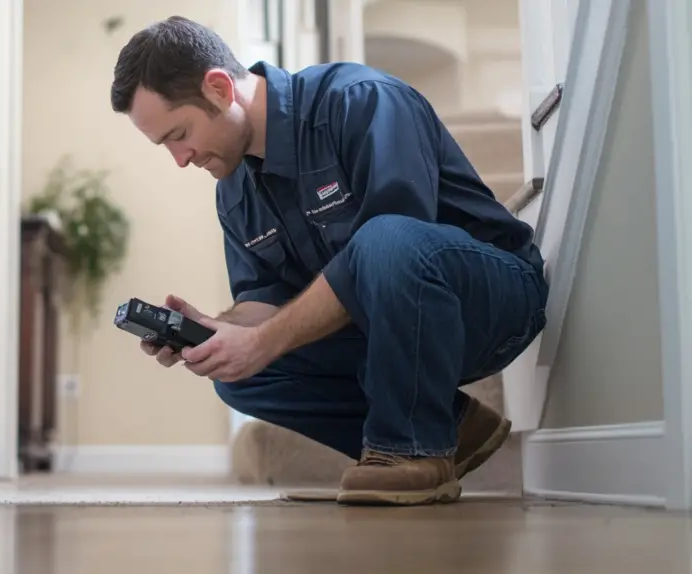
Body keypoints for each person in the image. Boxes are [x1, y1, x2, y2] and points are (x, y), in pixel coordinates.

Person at [109, 16, 549, 506]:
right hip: (380, 327)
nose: (180, 158)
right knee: (240, 370)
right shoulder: (233, 191)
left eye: (179, 134)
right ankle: (455, 426)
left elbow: (390, 248)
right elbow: (266, 302)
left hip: (486, 305)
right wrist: (220, 330)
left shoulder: (359, 100)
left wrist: (263, 340)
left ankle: (410, 449)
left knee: (381, 239)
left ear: (218, 89)